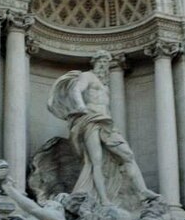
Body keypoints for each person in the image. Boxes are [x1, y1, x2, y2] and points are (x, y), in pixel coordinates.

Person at [48, 50, 158, 205]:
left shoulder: (105, 85)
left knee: (127, 155)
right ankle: (103, 199)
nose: (103, 66)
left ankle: (142, 191)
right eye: (101, 62)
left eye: (106, 63)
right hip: (91, 120)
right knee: (96, 161)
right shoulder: (87, 76)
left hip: (106, 123)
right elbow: (75, 90)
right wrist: (81, 107)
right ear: (95, 62)